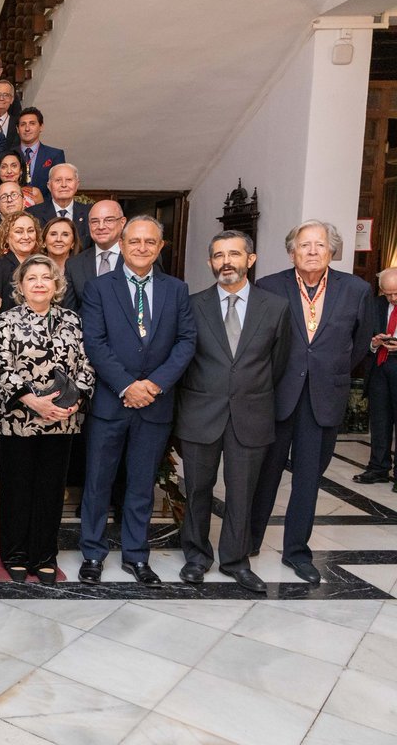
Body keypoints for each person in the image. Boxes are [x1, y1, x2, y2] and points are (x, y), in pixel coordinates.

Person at [77, 216, 196, 585]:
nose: (142, 248)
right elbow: (94, 343)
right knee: (98, 482)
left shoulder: (177, 289)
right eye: (135, 242)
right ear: (122, 246)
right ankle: (93, 554)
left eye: (150, 242)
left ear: (160, 247)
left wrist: (154, 385)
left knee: (142, 484)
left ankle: (135, 555)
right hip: (111, 404)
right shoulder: (99, 288)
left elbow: (186, 341)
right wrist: (128, 386)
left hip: (155, 405)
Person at [251, 220, 371, 585]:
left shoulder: (356, 289)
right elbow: (259, 343)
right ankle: (249, 541)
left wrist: (326, 370)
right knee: (264, 473)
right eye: (305, 245)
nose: (313, 251)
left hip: (324, 397)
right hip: (277, 395)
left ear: (332, 250)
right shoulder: (269, 286)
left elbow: (360, 343)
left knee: (308, 477)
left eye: (320, 245)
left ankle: (297, 552)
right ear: (292, 252)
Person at [175, 231, 289, 593]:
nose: (226, 261)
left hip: (251, 414)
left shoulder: (275, 307)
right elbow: (182, 359)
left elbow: (279, 362)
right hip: (199, 412)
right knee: (196, 489)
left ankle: (236, 560)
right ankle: (196, 556)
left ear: (250, 260)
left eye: (234, 254)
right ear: (210, 263)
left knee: (243, 492)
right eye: (219, 255)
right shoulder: (191, 305)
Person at [0, 255, 94, 584]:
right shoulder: (7, 320)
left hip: (62, 419)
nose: (38, 283)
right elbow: (0, 365)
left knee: (51, 489)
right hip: (18, 418)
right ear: (20, 286)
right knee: (17, 488)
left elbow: (86, 365)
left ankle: (45, 554)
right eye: (31, 278)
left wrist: (75, 400)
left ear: (56, 285)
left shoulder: (72, 320)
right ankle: (16, 553)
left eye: (45, 278)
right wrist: (33, 401)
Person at [356, 268, 397, 486]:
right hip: (380, 367)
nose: (393, 298)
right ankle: (378, 468)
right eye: (388, 293)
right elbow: (362, 336)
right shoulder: (375, 305)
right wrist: (374, 343)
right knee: (379, 421)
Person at [63, 199, 125, 311]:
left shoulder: (138, 259)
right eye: (95, 221)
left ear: (122, 222)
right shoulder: (74, 264)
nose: (101, 227)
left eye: (108, 220)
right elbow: (69, 314)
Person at [0, 212, 42, 311]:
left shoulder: (43, 264)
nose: (26, 236)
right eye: (19, 232)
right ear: (6, 237)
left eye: (31, 231)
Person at [28, 163, 91, 248]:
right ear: (49, 186)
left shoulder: (90, 213)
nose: (64, 185)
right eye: (58, 180)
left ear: (77, 184)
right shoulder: (32, 214)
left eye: (69, 180)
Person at [15, 107, 65, 200]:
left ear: (41, 127)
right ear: (18, 129)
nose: (27, 128)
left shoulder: (55, 155)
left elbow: (59, 187)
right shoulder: (9, 154)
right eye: (23, 124)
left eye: (32, 124)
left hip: (46, 210)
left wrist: (42, 207)